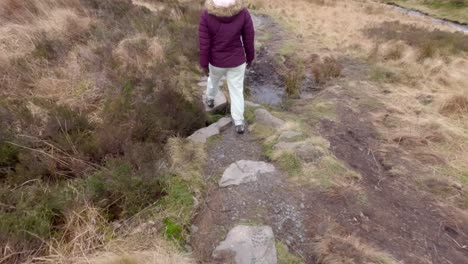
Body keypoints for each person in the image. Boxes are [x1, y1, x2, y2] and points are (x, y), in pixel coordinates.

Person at [199, 0, 255, 134]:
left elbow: (204, 44)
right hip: (237, 61)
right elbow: (249, 38)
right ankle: (239, 122)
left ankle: (211, 99)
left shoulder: (207, 14)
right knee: (236, 91)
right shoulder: (243, 12)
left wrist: (204, 64)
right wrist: (250, 57)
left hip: (216, 61)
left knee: (213, 80)